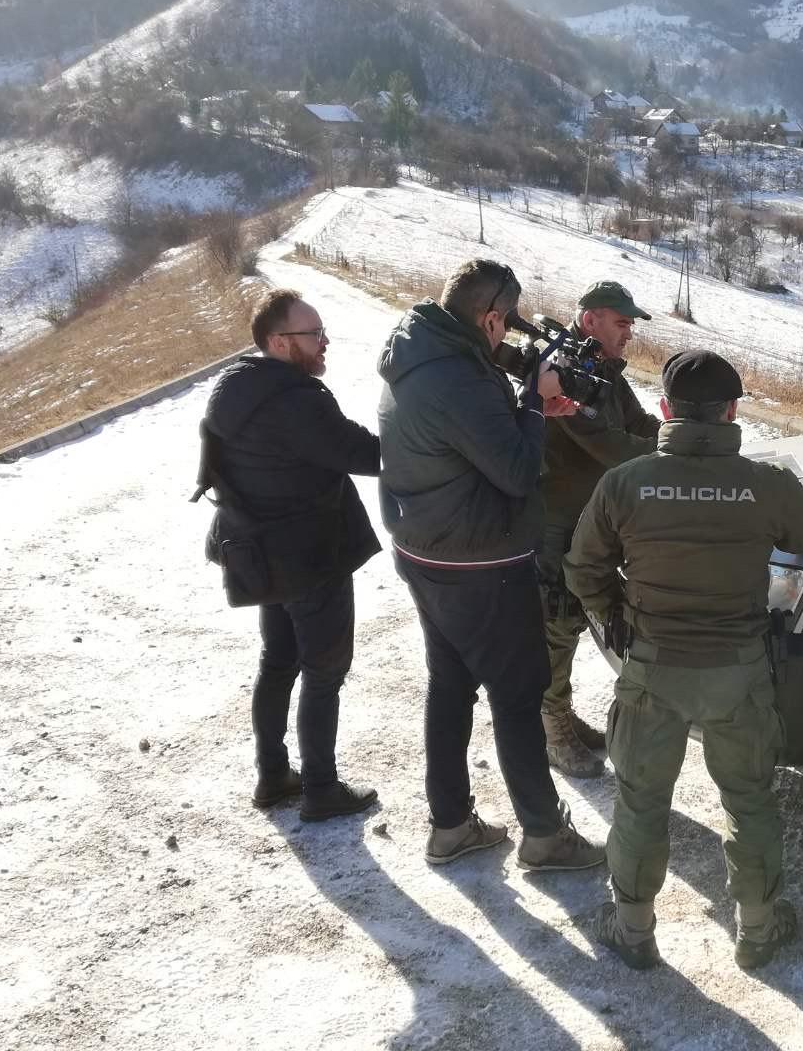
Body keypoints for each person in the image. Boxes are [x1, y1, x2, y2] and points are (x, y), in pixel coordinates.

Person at [565, 350, 803, 971]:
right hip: (738, 673)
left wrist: (618, 617)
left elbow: (582, 570)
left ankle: (633, 930)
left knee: (640, 801)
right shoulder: (767, 484)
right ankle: (758, 930)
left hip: (653, 669)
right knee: (750, 800)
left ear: (664, 409)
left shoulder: (625, 483)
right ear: (732, 410)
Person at [377, 258, 604, 873]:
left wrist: (525, 413)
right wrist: (535, 403)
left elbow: (472, 438)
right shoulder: (458, 376)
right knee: (517, 693)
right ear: (491, 316)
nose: (507, 339)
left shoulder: (421, 352)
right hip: (480, 561)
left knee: (450, 685)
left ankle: (450, 826)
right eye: (505, 326)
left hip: (427, 549)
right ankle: (543, 834)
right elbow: (517, 470)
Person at [194, 288, 382, 821]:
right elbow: (363, 452)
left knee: (277, 663)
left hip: (258, 554)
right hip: (308, 558)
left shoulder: (237, 388)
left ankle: (273, 775)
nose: (325, 343)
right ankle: (321, 788)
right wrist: (429, 442)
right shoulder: (295, 401)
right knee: (323, 672)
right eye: (313, 334)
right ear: (278, 342)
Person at [537, 280, 661, 779]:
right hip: (556, 518)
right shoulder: (562, 371)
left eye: (630, 323)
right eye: (622, 322)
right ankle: (551, 727)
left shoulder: (603, 368)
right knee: (557, 624)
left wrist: (680, 436)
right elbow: (608, 444)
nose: (629, 332)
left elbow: (638, 422)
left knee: (587, 615)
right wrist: (668, 454)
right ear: (590, 320)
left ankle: (560, 714)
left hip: (591, 516)